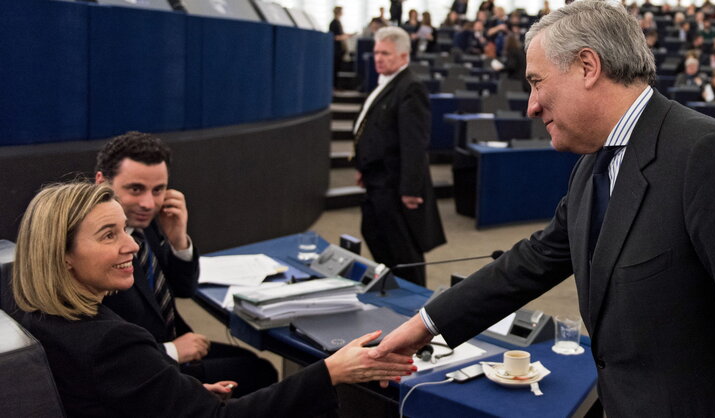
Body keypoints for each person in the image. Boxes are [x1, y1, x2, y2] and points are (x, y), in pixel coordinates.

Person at [369, 2, 715, 415]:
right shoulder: (593, 165)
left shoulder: (707, 156)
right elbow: (531, 262)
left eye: (536, 82)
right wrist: (425, 325)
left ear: (587, 65)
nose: (531, 106)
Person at [12, 182, 416, 417]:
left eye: (125, 232)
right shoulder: (110, 343)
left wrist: (182, 393)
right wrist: (330, 370)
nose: (131, 247)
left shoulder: (34, 316)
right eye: (108, 235)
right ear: (61, 255)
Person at [94, 132, 276, 396]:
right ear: (102, 182)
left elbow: (184, 289)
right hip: (145, 367)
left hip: (178, 344)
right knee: (260, 374)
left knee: (256, 365)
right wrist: (172, 351)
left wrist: (178, 239)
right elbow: (98, 347)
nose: (148, 203)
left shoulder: (146, 224)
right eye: (135, 189)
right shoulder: (93, 249)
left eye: (158, 190)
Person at [352, 27, 446, 286]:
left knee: (402, 251)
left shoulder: (410, 87)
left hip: (394, 186)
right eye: (376, 52)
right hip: (376, 179)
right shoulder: (387, 84)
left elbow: (414, 143)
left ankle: (413, 306)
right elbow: (370, 129)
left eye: (385, 53)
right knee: (375, 236)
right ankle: (392, 291)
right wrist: (361, 166)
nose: (378, 58)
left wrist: (411, 189)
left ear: (404, 56)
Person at [329, 6, 351, 88]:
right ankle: (334, 86)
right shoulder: (334, 23)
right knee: (335, 69)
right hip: (336, 49)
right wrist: (346, 36)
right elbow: (335, 37)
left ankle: (335, 85)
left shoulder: (338, 22)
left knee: (337, 68)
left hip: (339, 49)